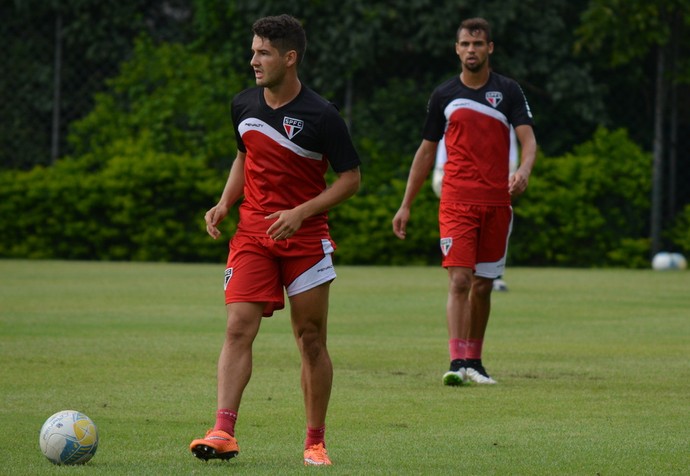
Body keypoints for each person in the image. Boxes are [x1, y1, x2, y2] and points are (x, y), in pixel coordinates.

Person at [189, 14, 361, 466]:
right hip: (252, 237)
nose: (253, 61)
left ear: (290, 57)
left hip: (306, 241)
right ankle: (223, 430)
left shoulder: (322, 114)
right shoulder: (243, 105)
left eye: (263, 52)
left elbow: (350, 179)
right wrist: (226, 202)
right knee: (237, 328)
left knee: (310, 341)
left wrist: (301, 213)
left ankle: (315, 442)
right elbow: (244, 156)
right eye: (253, 51)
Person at [392, 17, 537, 385]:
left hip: (497, 203)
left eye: (478, 44)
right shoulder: (443, 94)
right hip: (456, 201)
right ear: (456, 49)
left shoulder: (508, 91)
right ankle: (457, 362)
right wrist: (406, 203)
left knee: (484, 285)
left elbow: (529, 140)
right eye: (465, 44)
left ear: (490, 48)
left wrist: (523, 170)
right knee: (459, 280)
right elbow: (425, 152)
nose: (471, 50)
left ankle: (475, 360)